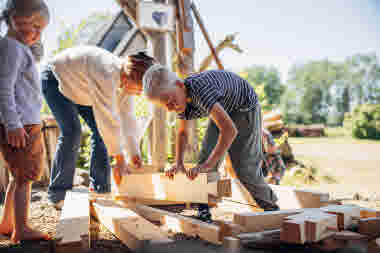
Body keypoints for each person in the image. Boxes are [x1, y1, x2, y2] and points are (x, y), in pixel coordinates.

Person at [142, 65, 279, 221]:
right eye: (165, 106)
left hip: (244, 107)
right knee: (205, 158)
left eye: (171, 101)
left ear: (180, 85)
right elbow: (182, 132)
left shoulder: (200, 91)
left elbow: (230, 130)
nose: (170, 107)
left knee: (244, 167)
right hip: (222, 107)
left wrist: (209, 164)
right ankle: (203, 210)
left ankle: (272, 209)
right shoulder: (179, 99)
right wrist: (178, 163)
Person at [41, 46, 154, 209]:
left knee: (102, 134)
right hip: (56, 78)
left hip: (82, 88)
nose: (138, 95)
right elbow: (107, 120)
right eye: (139, 90)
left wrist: (134, 153)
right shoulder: (106, 73)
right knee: (72, 131)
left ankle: (100, 190)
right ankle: (58, 194)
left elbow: (127, 118)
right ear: (129, 79)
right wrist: (119, 158)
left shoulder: (124, 81)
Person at [0, 0, 50, 243]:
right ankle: (22, 229)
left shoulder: (17, 48)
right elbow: (4, 88)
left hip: (23, 122)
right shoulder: (11, 48)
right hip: (22, 124)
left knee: (17, 175)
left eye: (42, 29)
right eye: (36, 27)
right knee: (26, 176)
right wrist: (12, 124)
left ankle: (8, 223)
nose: (39, 34)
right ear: (16, 19)